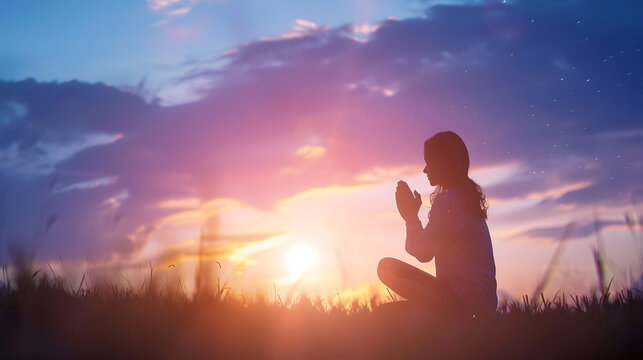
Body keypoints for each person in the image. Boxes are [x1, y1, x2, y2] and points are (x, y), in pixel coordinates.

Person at [377, 131, 497, 317]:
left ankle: (448, 320)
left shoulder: (449, 201)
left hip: (460, 301)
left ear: (444, 163)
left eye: (429, 162)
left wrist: (410, 218)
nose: (425, 170)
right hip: (479, 303)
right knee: (384, 313)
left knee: (386, 267)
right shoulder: (463, 199)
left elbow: (423, 253)